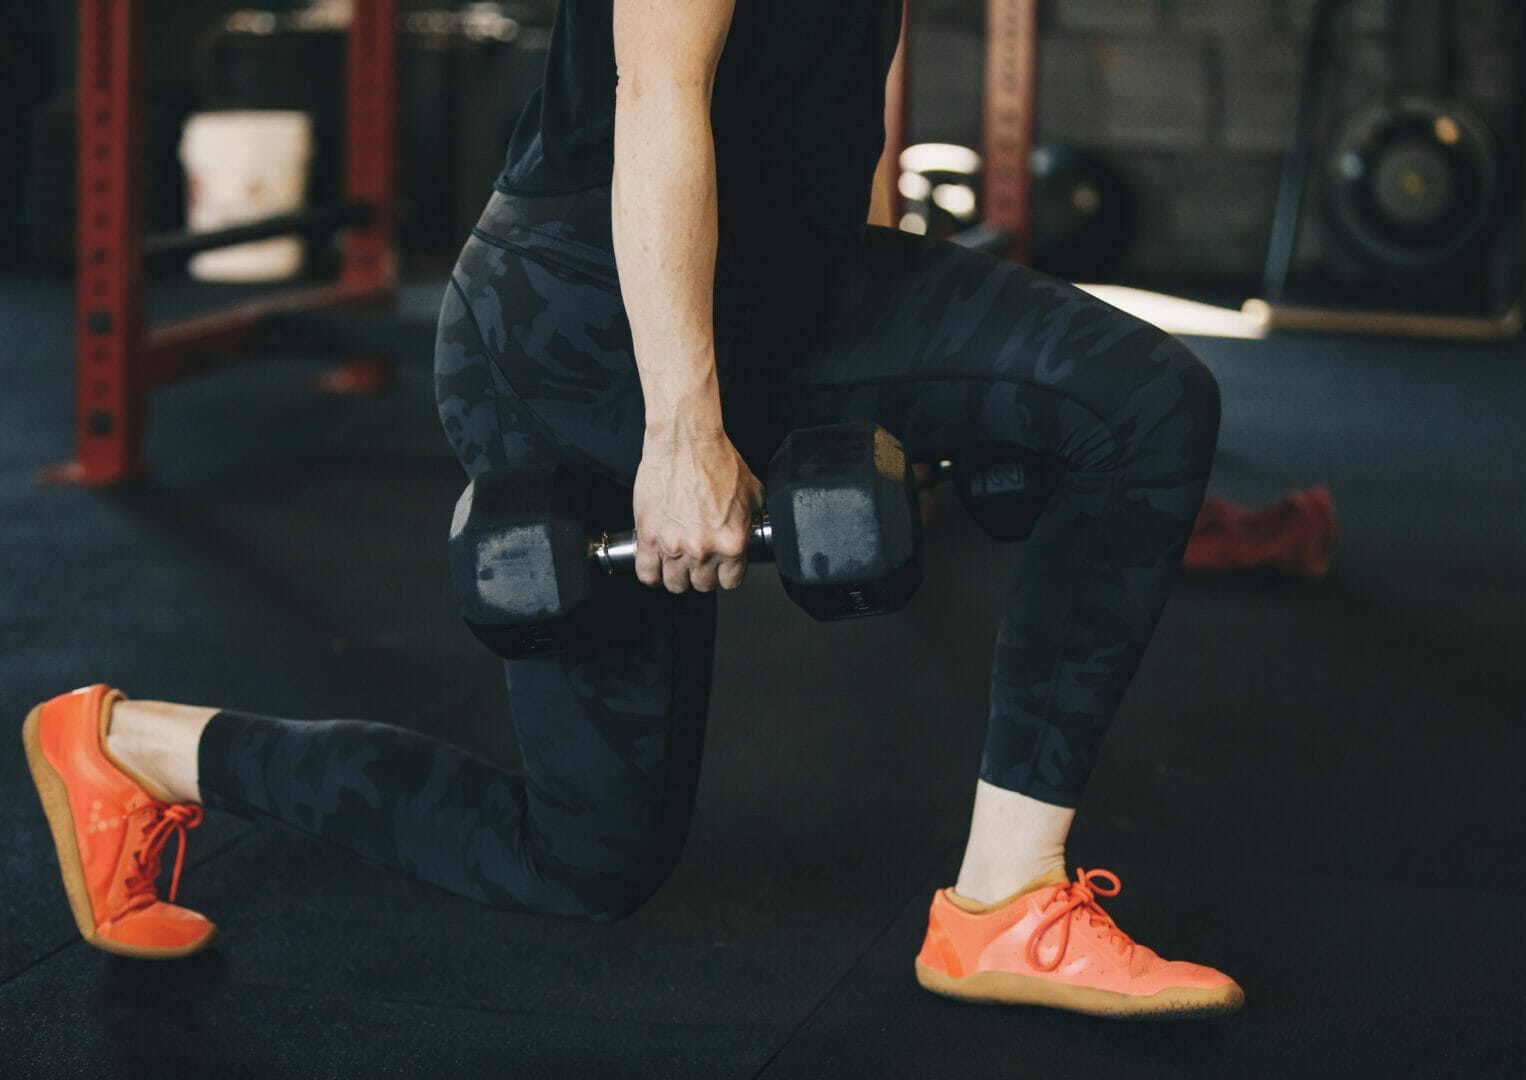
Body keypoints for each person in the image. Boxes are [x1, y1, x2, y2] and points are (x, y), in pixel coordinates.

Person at [23, 0, 1239, 1019]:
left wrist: (907, 399)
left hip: (786, 281)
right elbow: (658, 103)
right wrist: (681, 429)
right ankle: (134, 749)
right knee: (584, 860)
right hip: (583, 322)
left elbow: (830, 116)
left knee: (1141, 401)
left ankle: (1003, 901)